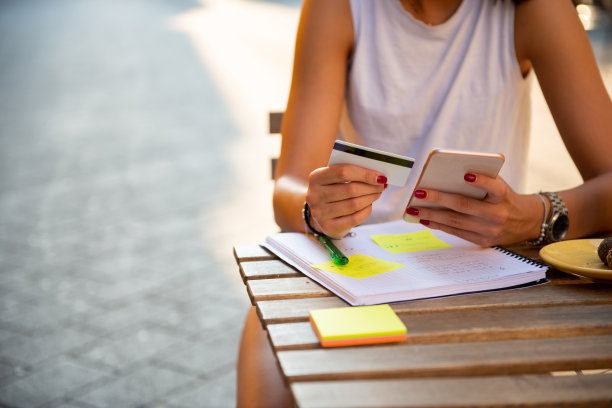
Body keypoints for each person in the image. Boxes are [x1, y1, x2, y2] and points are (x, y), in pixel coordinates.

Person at [237, 0, 612, 406]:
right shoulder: (339, 7)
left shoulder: (535, 10)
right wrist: (315, 209)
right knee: (273, 357)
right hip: (353, 272)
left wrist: (537, 216)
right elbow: (289, 187)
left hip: (481, 285)